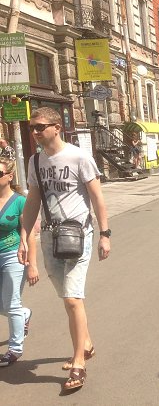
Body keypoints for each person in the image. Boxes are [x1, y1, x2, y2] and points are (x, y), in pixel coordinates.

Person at [18, 107, 111, 391]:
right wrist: (24, 236)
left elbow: (97, 197)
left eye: (40, 126)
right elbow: (33, 201)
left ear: (57, 127)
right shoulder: (35, 161)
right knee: (69, 298)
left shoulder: (79, 157)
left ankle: (79, 363)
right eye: (32, 127)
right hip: (50, 237)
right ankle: (87, 343)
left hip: (77, 235)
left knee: (72, 298)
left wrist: (105, 234)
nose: (35, 132)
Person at [0, 158, 38, 367]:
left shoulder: (20, 201)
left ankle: (15, 349)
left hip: (13, 255)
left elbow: (30, 234)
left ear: (9, 176)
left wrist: (32, 264)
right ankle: (24, 314)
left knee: (11, 303)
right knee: (3, 305)